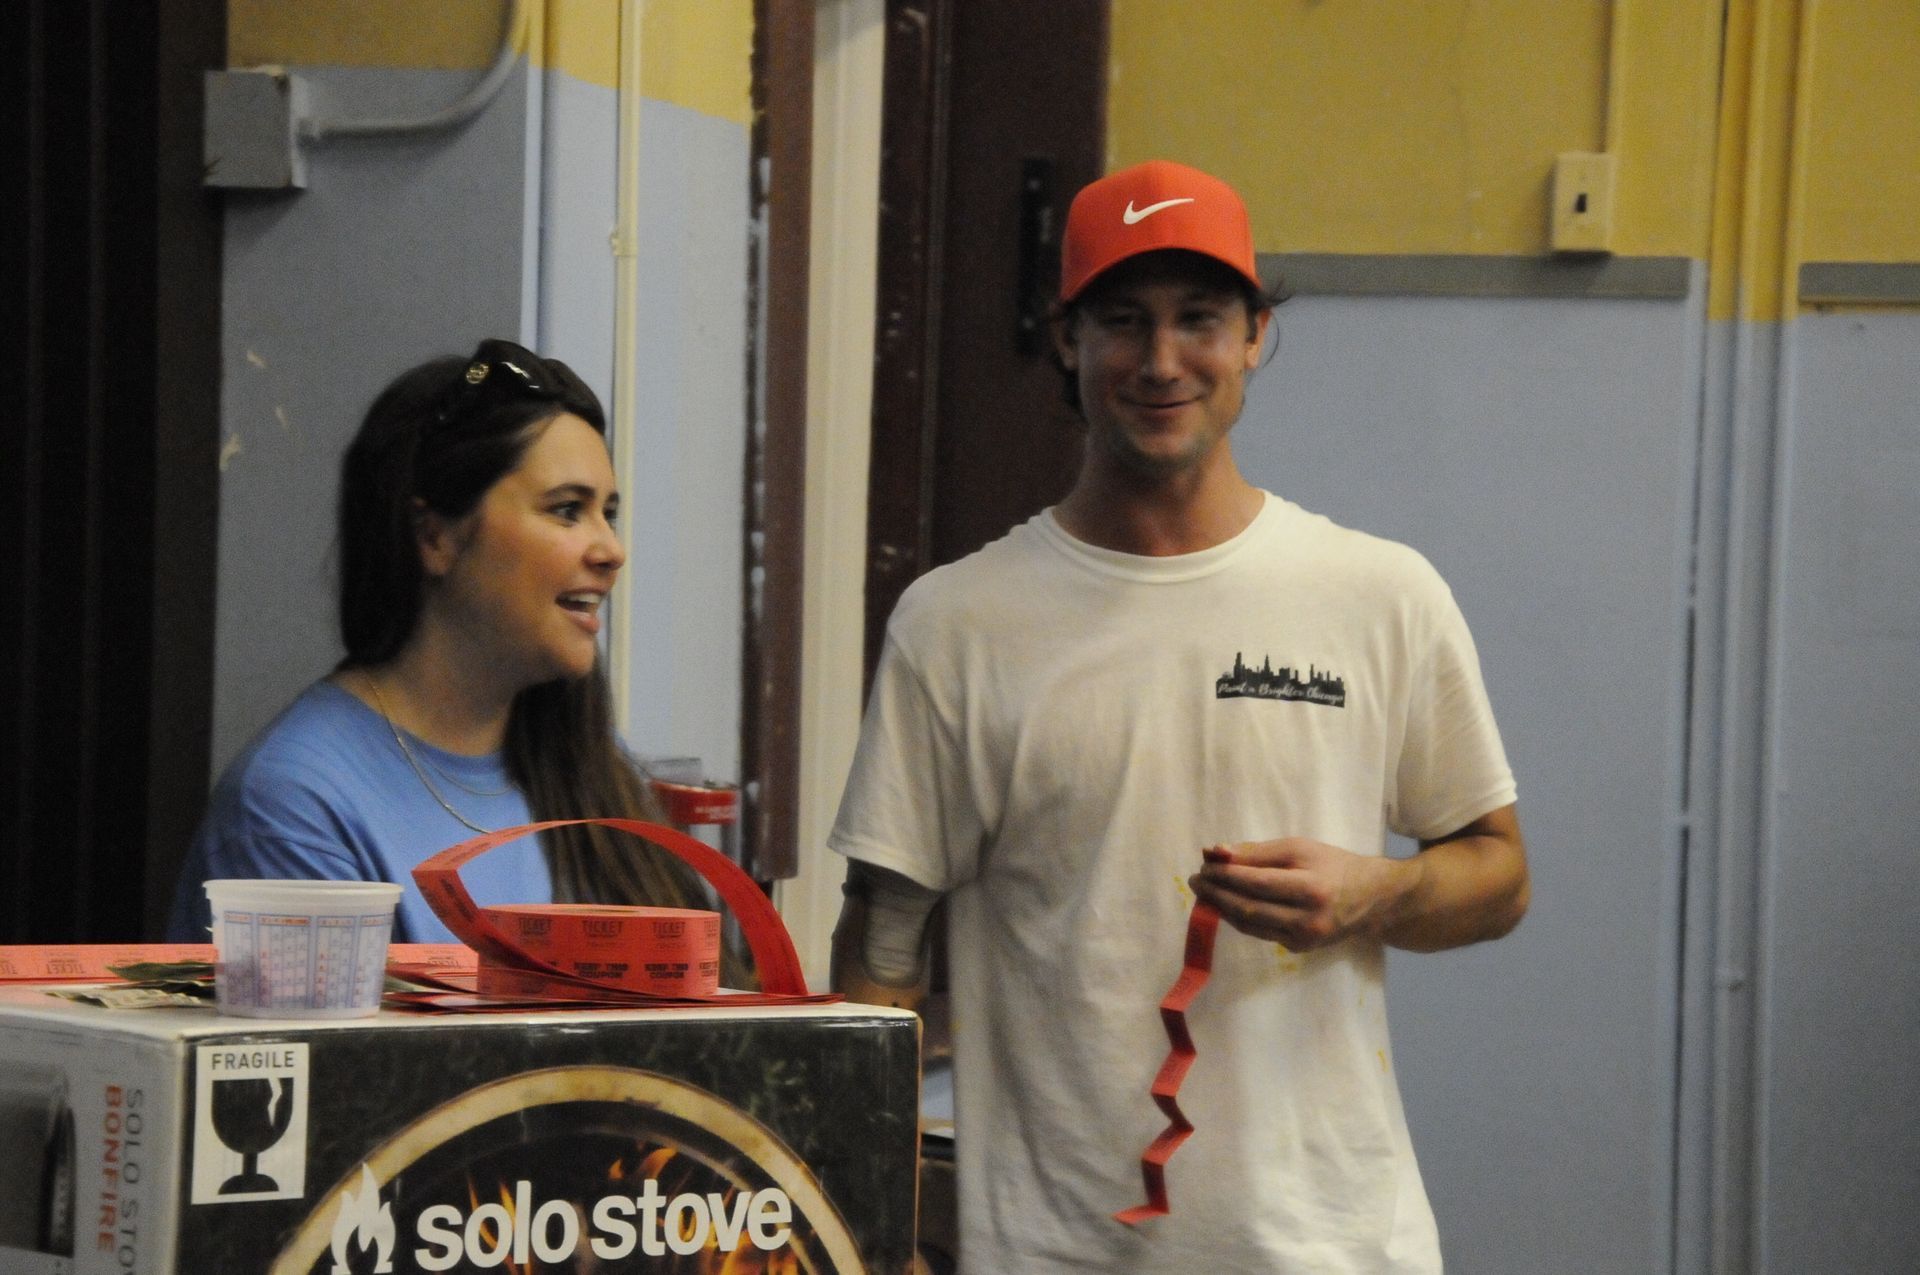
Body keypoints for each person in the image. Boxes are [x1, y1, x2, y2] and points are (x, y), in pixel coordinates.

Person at [827, 161, 1528, 1272]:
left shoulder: (1382, 595)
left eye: (1198, 320)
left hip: (1333, 1246)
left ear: (1255, 335)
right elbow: (882, 949)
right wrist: (871, 1221)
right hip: (1053, 1250)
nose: (1161, 363)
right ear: (1067, 341)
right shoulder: (955, 624)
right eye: (1122, 322)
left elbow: (1498, 875)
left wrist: (1378, 890)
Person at [168, 339, 724, 967]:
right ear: (434, 537)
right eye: (567, 511)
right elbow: (355, 1066)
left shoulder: (594, 770)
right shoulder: (296, 803)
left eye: (609, 514)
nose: (610, 550)